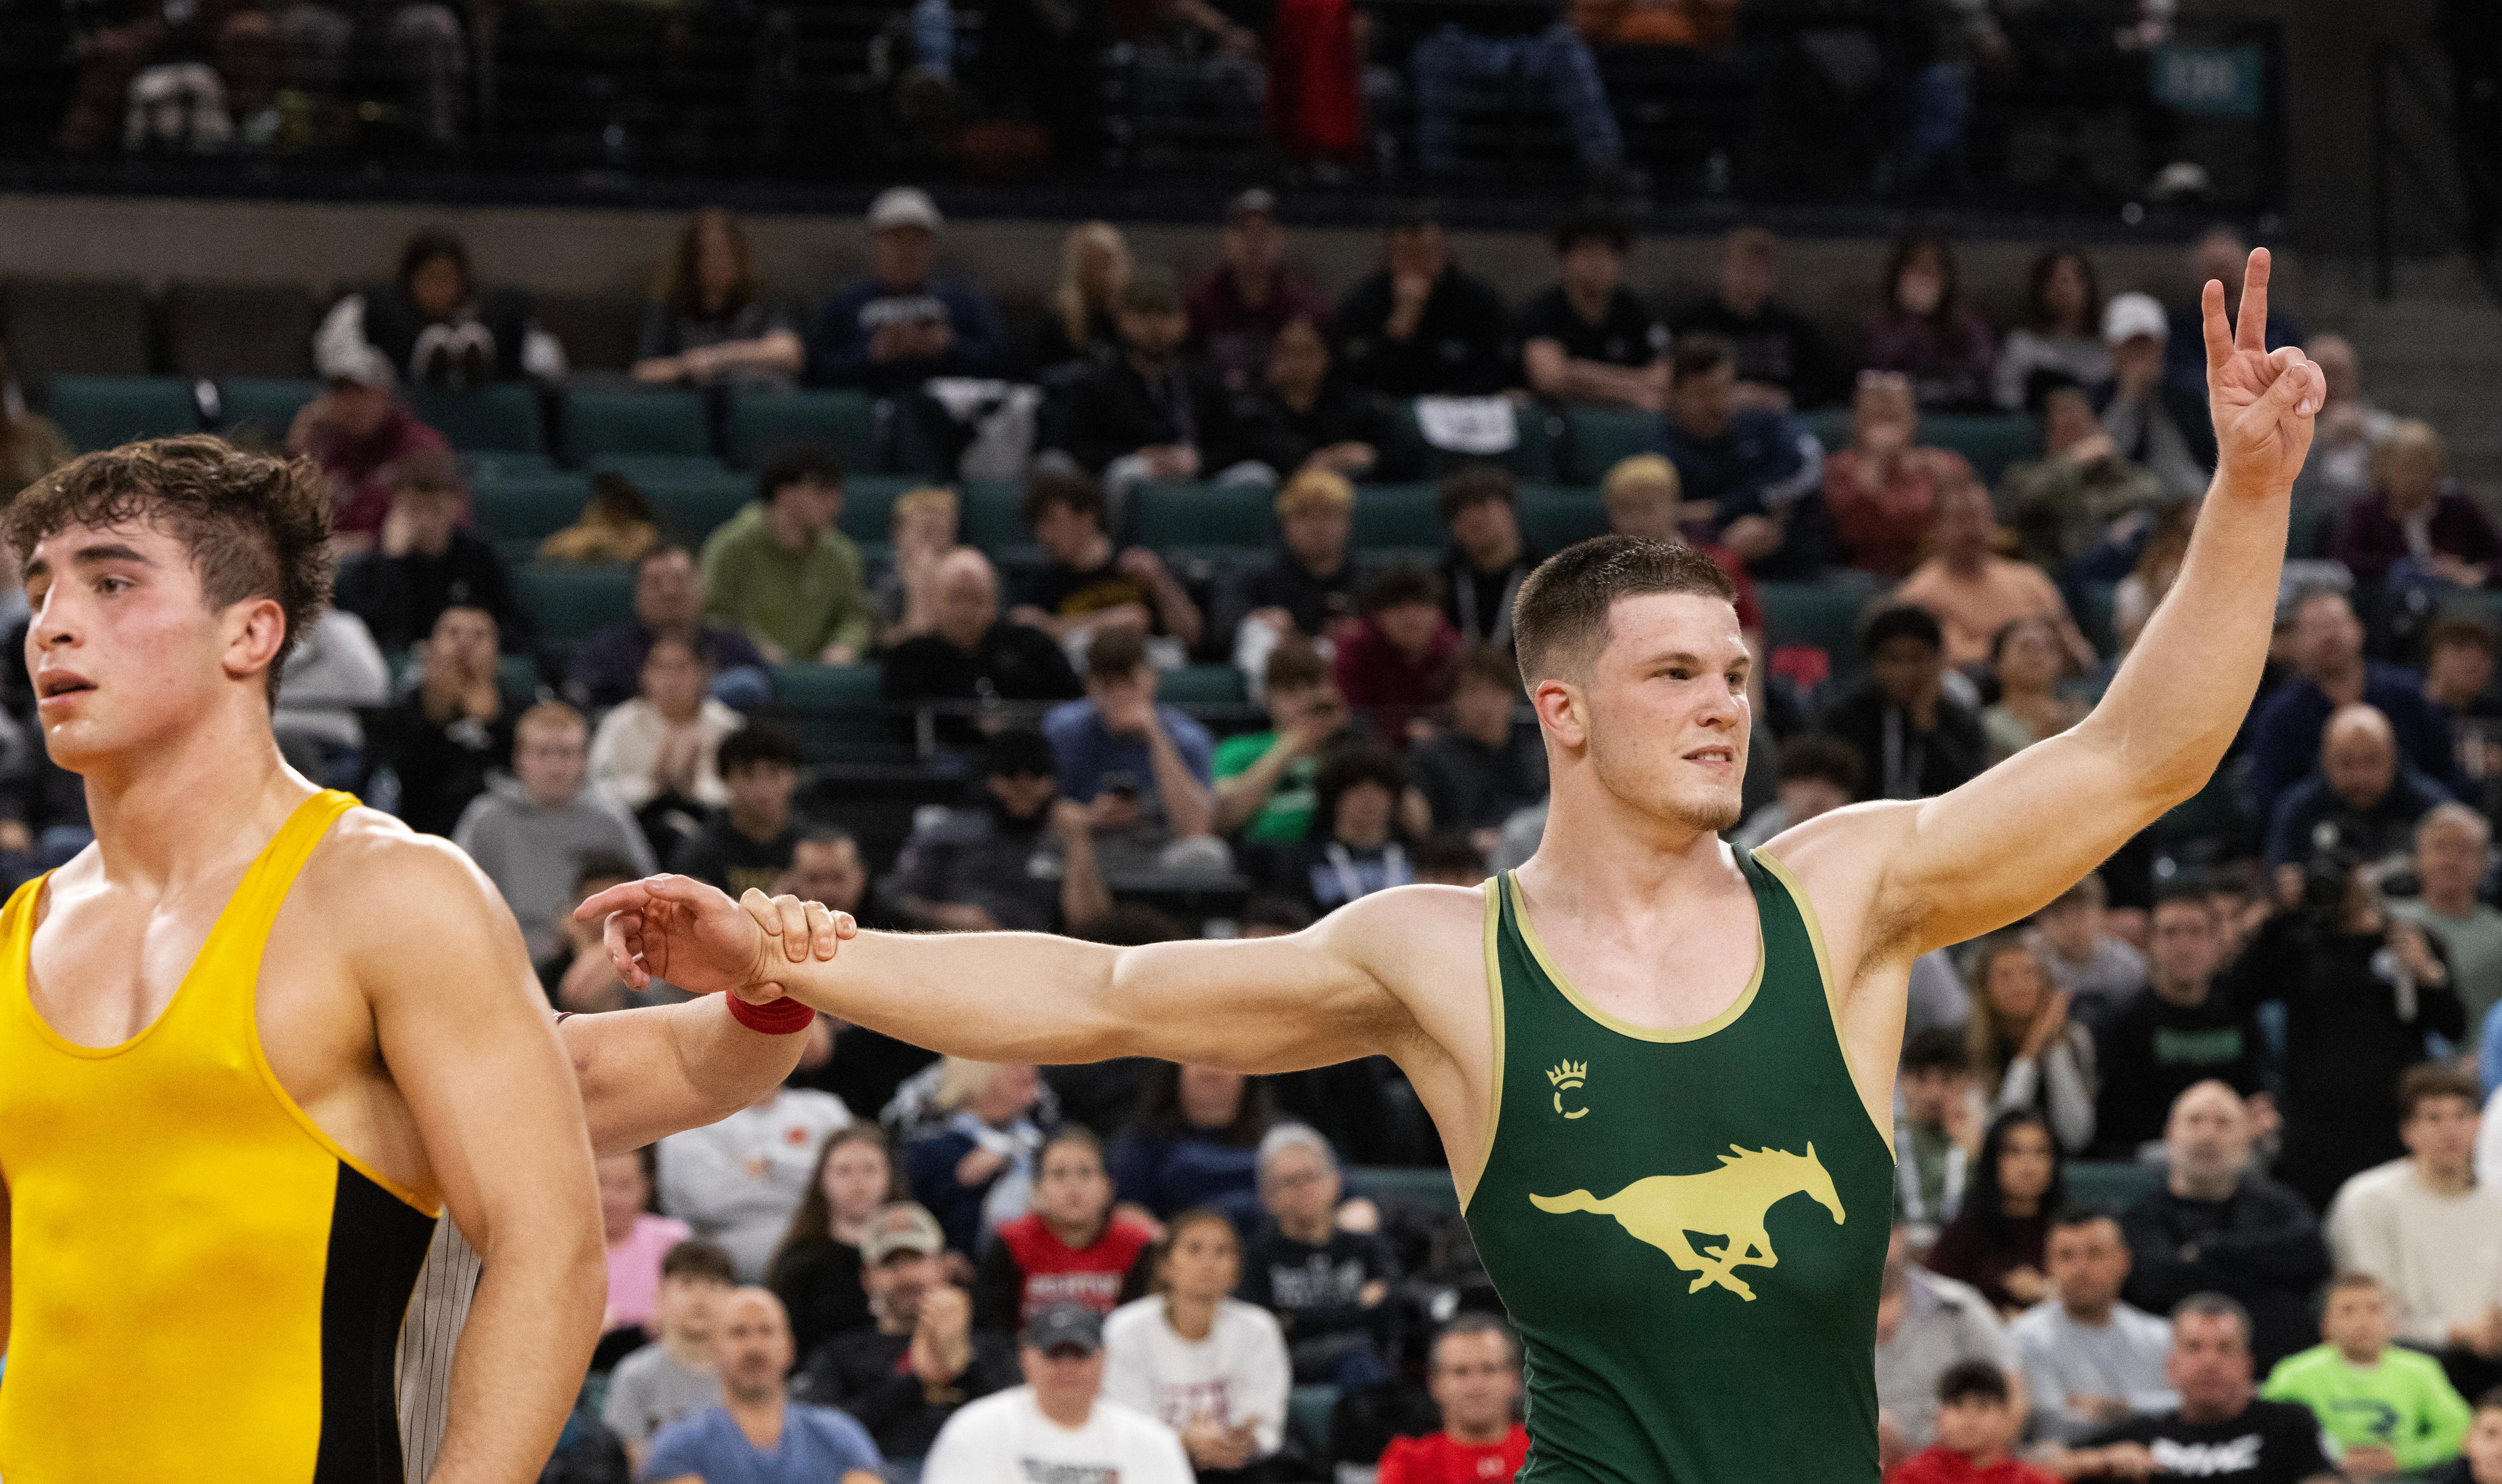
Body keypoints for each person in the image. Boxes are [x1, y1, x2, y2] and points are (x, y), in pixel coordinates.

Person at [580, 247, 2334, 1481]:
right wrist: (803, 953)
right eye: (1675, 674)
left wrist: (2244, 495)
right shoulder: (1439, 957)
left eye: (1734, 673)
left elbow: (2133, 756)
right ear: (1560, 708)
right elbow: (1106, 993)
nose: (1723, 704)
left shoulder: (1848, 893)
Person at [0, 437, 608, 1478]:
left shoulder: (390, 897)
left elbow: (547, 1249)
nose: (52, 623)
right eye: (40, 585)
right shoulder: (18, 930)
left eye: (110, 582)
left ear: (249, 632)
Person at [2224, 846, 2468, 1209]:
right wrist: (2276, 919)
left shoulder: (2409, 939)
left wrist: (2427, 974)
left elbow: (2453, 1026)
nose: (2334, 885)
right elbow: (2232, 998)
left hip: (2391, 1128)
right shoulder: (2295, 939)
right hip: (2314, 1133)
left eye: (2342, 873)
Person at [2119, 1083, 2333, 1370]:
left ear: (2246, 1138)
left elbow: (2311, 1258)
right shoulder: (2140, 1216)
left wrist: (2205, 1251)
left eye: (2223, 1124)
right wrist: (2260, 1272)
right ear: (2169, 1134)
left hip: (2277, 1373)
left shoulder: (2281, 1206)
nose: (2208, 1136)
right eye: (2195, 1121)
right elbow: (2155, 1284)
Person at [795, 1201, 1020, 1464]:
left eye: (917, 1259)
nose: (906, 1276)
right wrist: (915, 1379)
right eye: (890, 1264)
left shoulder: (984, 1345)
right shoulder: (839, 1354)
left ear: (941, 1268)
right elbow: (820, 1435)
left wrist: (966, 1363)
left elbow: (1021, 1420)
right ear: (867, 1277)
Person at [2327, 1065, 2502, 1404]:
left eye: (2462, 1116)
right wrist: (2456, 1335)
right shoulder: (2367, 1200)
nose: (2449, 1131)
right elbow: (2365, 1307)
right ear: (2407, 1131)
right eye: (2434, 1119)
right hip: (2404, 1358)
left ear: (2480, 1124)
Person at [2041, 1294, 2338, 1484]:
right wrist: (2098, 1462)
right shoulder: (2142, 1433)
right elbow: (2034, 1464)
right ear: (2171, 1368)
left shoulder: (2288, 1426)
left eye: (2224, 1349)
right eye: (2194, 1348)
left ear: (2248, 1367)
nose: (2209, 1362)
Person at [452, 700, 657, 959]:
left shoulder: (610, 819)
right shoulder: (486, 819)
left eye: (566, 753)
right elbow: (456, 897)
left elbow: (647, 894)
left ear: (584, 760)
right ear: (519, 760)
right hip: (508, 952)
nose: (555, 766)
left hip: (596, 951)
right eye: (543, 753)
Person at [1103, 1207, 1294, 1477]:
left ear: (1237, 1269)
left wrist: (1242, 1441)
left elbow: (1264, 1425)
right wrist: (1184, 1443)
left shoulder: (1259, 1328)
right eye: (1194, 1249)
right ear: (1165, 1266)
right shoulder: (1126, 1329)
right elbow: (1126, 1425)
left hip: (1238, 1469)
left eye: (1222, 1252)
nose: (1208, 1262)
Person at [2243, 586, 2460, 823]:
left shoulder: (2408, 694)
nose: (2328, 637)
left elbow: (2446, 772)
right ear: (2297, 642)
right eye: (2315, 629)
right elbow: (2269, 800)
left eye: (2336, 625)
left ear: (2359, 630)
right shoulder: (2277, 715)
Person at [920, 1303, 1195, 1484]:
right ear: (1026, 1358)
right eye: (1054, 1355)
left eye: (1081, 1355)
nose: (1068, 1368)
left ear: (1104, 1359)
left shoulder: (1151, 1442)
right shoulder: (974, 1430)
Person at [640, 1287, 887, 1484]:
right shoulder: (680, 1443)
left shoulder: (839, 1436)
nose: (754, 1347)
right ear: (715, 1351)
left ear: (790, 1348)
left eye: (766, 1331)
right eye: (739, 1333)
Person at [2091, 891, 2266, 1160]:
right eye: (2170, 933)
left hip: (2233, 1146)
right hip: (2157, 1155)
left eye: (2196, 933)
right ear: (2150, 946)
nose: (2184, 947)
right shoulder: (2127, 1023)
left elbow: (2257, 1095)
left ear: (2217, 943)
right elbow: (2120, 1123)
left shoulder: (2241, 1013)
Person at [890, 728, 1112, 935]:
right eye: (1010, 773)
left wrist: (1078, 841)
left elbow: (1092, 928)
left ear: (1053, 781)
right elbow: (895, 899)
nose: (1023, 786)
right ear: (989, 779)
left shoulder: (1063, 838)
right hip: (956, 951)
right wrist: (947, 917)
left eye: (1036, 774)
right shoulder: (949, 831)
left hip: (1038, 961)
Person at [2262, 1272, 2475, 1479]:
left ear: (2392, 1321)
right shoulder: (2293, 1373)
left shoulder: (2421, 1370)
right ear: (2325, 1325)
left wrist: (2400, 1458)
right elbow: (2265, 1430)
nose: (2363, 1322)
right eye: (2348, 1311)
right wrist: (2326, 1462)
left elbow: (2462, 1430)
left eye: (2374, 1309)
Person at [1045, 628, 1223, 870]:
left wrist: (1154, 734)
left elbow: (1196, 829)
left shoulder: (1187, 737)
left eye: (1128, 682)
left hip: (1156, 850)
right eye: (1107, 685)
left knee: (1207, 854)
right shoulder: (1062, 729)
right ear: (1089, 684)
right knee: (1038, 861)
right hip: (1085, 851)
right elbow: (1038, 812)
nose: (1119, 695)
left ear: (1151, 679)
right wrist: (1091, 816)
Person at [1057, 273, 1250, 494]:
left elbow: (1237, 444)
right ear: (1122, 321)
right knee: (1129, 473)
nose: (1155, 325)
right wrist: (1136, 455)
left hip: (1198, 475)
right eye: (1144, 314)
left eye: (1165, 314)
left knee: (1255, 475)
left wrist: (1197, 460)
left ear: (1183, 322)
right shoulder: (1099, 381)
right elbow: (1076, 446)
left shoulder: (1203, 379)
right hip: (1129, 474)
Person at [1654, 333, 1829, 577]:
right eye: (1703, 393)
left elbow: (1808, 465)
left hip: (1777, 556)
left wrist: (1725, 509)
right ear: (1675, 394)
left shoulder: (1764, 425)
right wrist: (1720, 545)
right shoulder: (1656, 445)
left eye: (1724, 388)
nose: (1718, 404)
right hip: (1692, 566)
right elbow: (1646, 521)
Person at [878, 548, 1084, 754]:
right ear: (934, 601)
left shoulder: (1031, 645)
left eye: (976, 598)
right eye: (955, 598)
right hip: (945, 769)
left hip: (1029, 762)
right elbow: (905, 731)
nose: (965, 611)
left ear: (994, 603)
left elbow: (1073, 707)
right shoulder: (910, 657)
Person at [313, 228, 566, 393]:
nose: (439, 289)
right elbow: (337, 363)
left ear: (462, 284)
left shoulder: (486, 314)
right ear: (410, 281)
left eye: (447, 280)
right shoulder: (375, 308)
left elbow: (550, 364)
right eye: (429, 279)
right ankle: (426, 350)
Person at [1238, 1124, 1397, 1387]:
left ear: (1335, 1182)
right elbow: (1263, 1333)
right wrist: (1355, 1308)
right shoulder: (1256, 1256)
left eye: (1311, 1176)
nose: (1303, 1188)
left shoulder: (1368, 1247)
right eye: (1289, 1181)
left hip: (1364, 1361)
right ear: (1267, 1196)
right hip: (1284, 1370)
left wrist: (1296, 1318)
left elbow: (1387, 1320)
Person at [807, 187, 1006, 396]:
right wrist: (872, 355)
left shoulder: (962, 301)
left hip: (944, 417)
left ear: (933, 245)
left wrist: (949, 346)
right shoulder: (845, 303)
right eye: (896, 238)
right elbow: (815, 371)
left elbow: (1002, 363)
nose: (907, 250)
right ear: (873, 243)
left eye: (919, 239)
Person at [332, 449, 530, 653]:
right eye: (414, 509)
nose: (425, 521)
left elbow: (516, 628)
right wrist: (393, 562)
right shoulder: (374, 568)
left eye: (436, 509)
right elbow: (370, 637)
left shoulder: (480, 559)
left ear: (455, 507)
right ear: (396, 506)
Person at [1893, 476, 2096, 673]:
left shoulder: (2030, 578)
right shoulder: (1918, 594)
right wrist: (2029, 648)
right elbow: (1950, 662)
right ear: (1936, 529)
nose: (1973, 530)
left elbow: (2081, 656)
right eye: (1961, 519)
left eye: (1980, 516)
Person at [657, 1079, 855, 1281]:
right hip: (721, 1265)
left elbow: (852, 1184)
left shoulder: (825, 1110)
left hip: (822, 1255)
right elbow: (707, 1201)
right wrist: (807, 1180)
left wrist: (772, 1166)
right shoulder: (691, 1118)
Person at [1407, 0, 1626, 182]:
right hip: (1470, 44)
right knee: (1434, 52)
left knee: (1569, 49)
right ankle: (1436, 174)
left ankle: (1604, 167)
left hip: (1532, 45)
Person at [700, 442, 873, 667]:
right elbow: (710, 615)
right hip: (746, 669)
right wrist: (752, 646)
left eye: (837, 492)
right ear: (785, 494)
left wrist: (846, 645)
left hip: (819, 674)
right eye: (822, 491)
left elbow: (855, 617)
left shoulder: (843, 553)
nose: (835, 504)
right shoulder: (731, 546)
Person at [2012, 1210, 2176, 1444]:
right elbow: (2053, 1427)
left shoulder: (2161, 1336)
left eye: (2095, 1254)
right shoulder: (2025, 1338)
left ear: (2124, 1261)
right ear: (2048, 1266)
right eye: (2066, 1256)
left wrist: (2122, 1408)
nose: (2081, 1269)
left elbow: (2195, 1405)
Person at [975, 1126, 1158, 1334]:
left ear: (1108, 1188)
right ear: (1036, 1191)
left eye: (1085, 1173)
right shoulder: (1010, 1243)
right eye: (1059, 1174)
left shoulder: (1137, 1245)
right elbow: (990, 1334)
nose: (1073, 1186)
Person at [1876, 1222, 2019, 1466]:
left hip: (1957, 1469)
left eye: (1875, 1229)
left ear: (1901, 1232)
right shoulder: (1812, 1320)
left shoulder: (1960, 1305)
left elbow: (2013, 1388)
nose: (1866, 1245)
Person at [1334, 206, 1514, 399]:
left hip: (1461, 407)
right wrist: (1399, 327)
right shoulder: (1363, 302)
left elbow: (1496, 366)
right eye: (1406, 255)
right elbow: (1354, 375)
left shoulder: (1476, 300)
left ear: (1447, 253)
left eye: (1426, 253)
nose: (1416, 264)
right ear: (1387, 257)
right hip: (1386, 410)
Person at [1011, 473, 1205, 651]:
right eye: (1039, 525)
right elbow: (1023, 622)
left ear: (1087, 518)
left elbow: (1190, 636)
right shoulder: (1043, 580)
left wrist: (1160, 584)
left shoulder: (1136, 566)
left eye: (1052, 521)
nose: (1043, 535)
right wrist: (1115, 620)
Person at [568, 544, 772, 714]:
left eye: (679, 580)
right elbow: (578, 702)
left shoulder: (734, 648)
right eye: (655, 582)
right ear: (637, 597)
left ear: (702, 589)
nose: (669, 592)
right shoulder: (605, 653)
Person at [284, 348, 450, 552]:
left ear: (386, 395)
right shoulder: (335, 449)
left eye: (361, 392)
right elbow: (297, 519)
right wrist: (300, 443)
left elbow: (441, 530)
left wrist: (368, 545)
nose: (351, 403)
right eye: (341, 392)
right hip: (345, 570)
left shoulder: (420, 447)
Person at [1819, 604, 1990, 801]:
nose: (1904, 671)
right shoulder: (1845, 716)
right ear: (1873, 662)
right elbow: (1833, 786)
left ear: (1937, 661)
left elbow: (1972, 788)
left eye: (1916, 659)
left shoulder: (1958, 719)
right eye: (1893, 660)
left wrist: (1929, 728)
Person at [1668, 226, 1845, 411]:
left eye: (1760, 272)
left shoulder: (1796, 327)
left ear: (1773, 277)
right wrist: (1722, 395)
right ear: (1723, 269)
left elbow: (1832, 384)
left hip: (1781, 420)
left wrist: (1786, 398)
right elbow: (1672, 380)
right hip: (1714, 416)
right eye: (1743, 269)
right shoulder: (1693, 323)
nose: (1750, 280)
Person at [1822, 370, 1979, 581]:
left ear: (1913, 416)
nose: (1887, 403)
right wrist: (1875, 462)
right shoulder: (1836, 469)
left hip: (1940, 578)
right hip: (1862, 581)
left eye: (1895, 414)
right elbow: (1860, 532)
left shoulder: (1948, 466)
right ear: (1857, 418)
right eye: (1878, 416)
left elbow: (1961, 529)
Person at [2003, 379, 2165, 575]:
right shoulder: (2025, 474)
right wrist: (2073, 461)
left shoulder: (2108, 472)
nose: (2077, 437)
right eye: (2066, 428)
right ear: (2048, 436)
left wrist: (2113, 466)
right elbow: (2026, 499)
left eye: (2081, 424)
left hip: (2121, 561)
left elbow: (2151, 491)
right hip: (2066, 571)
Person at [2263, 702, 2453, 868]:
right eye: (2347, 763)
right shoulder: (2296, 810)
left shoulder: (2434, 810)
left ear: (2394, 759)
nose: (2361, 778)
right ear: (2325, 762)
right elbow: (2279, 872)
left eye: (2373, 761)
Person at [632, 208, 806, 388]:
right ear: (690, 261)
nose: (716, 263)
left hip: (754, 405)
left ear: (740, 256)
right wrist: (688, 365)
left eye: (724, 253)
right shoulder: (669, 309)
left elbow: (789, 353)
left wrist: (718, 357)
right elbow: (644, 371)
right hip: (691, 406)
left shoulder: (766, 301)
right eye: (707, 254)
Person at [1219, 469, 1368, 679]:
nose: (1318, 526)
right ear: (1285, 523)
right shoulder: (1255, 579)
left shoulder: (1370, 584)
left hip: (1353, 681)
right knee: (1259, 632)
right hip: (1280, 675)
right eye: (1304, 514)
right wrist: (1259, 620)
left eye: (1329, 513)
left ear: (1348, 521)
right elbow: (1223, 631)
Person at [769, 1125, 899, 1363]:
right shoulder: (797, 1264)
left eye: (870, 1170)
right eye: (844, 1171)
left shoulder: (920, 1256)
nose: (858, 1181)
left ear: (890, 1177)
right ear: (822, 1180)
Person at [1212, 641, 1361, 846]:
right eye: (1291, 691)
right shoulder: (1239, 749)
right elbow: (1223, 817)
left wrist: (1349, 732)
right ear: (1269, 698)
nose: (1305, 700)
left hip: (1335, 856)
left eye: (1313, 687)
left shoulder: (1350, 751)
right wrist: (1292, 743)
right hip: (1265, 856)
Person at [605, 1238, 736, 1469]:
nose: (700, 1298)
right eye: (687, 1284)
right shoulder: (634, 1376)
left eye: (713, 1285)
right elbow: (629, 1464)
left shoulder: (746, 1373)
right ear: (662, 1295)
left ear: (733, 1298)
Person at [1517, 213, 1670, 411]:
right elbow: (1549, 378)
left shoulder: (1636, 310)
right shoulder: (1542, 310)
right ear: (1562, 260)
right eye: (1586, 251)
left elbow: (1666, 376)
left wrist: (1577, 373)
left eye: (1608, 253)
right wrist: (1634, 389)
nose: (1597, 263)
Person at [1188, 189, 1336, 394]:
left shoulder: (1310, 308)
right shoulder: (1198, 304)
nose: (1254, 242)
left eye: (1264, 232)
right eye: (1244, 231)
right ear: (1225, 238)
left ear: (1282, 238)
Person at [588, 633, 744, 825]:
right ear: (644, 674)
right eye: (661, 667)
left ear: (702, 673)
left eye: (682, 667)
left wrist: (692, 789)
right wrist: (653, 785)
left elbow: (745, 791)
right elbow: (597, 786)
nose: (671, 678)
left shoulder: (728, 726)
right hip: (634, 827)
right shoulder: (620, 723)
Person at [2333, 420, 2501, 591]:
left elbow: (2497, 556)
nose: (2414, 477)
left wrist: (2477, 573)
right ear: (2384, 469)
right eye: (2405, 467)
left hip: (2453, 605)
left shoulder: (2459, 508)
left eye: (2423, 467)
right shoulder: (2367, 512)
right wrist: (2411, 569)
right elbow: (2345, 560)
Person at [1229, 316, 1400, 485]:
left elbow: (1395, 452)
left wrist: (1367, 454)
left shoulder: (1354, 406)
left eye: (1306, 352)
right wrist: (1324, 461)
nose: (1296, 362)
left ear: (1326, 356)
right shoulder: (1254, 413)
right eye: (1287, 351)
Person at [1927, 1110, 2065, 1318]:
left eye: (2041, 1152)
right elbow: (1933, 1303)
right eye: (2014, 1152)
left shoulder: (2071, 1231)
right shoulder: (1964, 1233)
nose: (2029, 1164)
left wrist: (2052, 1294)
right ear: (1994, 1161)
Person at [1409, 643, 1546, 851]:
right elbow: (1427, 832)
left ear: (1512, 695)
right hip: (1466, 859)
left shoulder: (1538, 748)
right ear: (1452, 700)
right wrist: (1469, 840)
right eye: (1473, 692)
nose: (1486, 703)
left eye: (1496, 690)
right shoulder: (1432, 758)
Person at [907, 1059, 1048, 1254]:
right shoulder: (933, 1152)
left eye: (1029, 1059)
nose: (1030, 1068)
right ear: (978, 1069)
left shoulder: (1051, 1142)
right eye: (1014, 1062)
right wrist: (960, 1185)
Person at [1109, 1063, 1277, 1226]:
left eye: (1225, 1060)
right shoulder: (1140, 1141)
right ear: (1175, 1071)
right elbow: (1127, 1213)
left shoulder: (1282, 1138)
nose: (1212, 1070)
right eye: (1199, 1059)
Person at [1376, 1316, 1531, 1484]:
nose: (1476, 1386)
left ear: (1515, 1379)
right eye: (1461, 1372)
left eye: (1489, 1370)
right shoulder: (1409, 1462)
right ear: (1435, 1383)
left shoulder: (1546, 1451)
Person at [2097, 291, 2219, 503]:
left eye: (2147, 347)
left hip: (2190, 505)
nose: (2141, 358)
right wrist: (2128, 399)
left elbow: (2209, 463)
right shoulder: (2096, 397)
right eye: (2132, 347)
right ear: (2113, 351)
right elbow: (2104, 463)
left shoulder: (2187, 396)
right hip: (2124, 508)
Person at [2163, 229, 2307, 409]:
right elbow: (2178, 385)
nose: (2224, 278)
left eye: (2229, 269)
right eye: (2214, 269)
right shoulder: (2177, 331)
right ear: (2197, 277)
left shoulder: (2281, 330)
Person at [2393, 805, 2502, 1036]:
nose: (2450, 860)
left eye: (2464, 850)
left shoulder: (2499, 933)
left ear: (2486, 863)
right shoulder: (2391, 923)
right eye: (2440, 847)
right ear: (2417, 858)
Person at [668, 725, 809, 899]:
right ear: (725, 779)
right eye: (748, 774)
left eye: (774, 773)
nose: (762, 789)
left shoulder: (818, 847)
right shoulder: (700, 853)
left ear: (794, 777)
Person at [1861, 234, 1996, 413]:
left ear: (1946, 279)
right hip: (1894, 415)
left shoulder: (1968, 325)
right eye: (1916, 269)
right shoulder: (1877, 325)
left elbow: (1982, 380)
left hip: (1954, 417)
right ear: (1898, 275)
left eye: (1932, 270)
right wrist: (1914, 318)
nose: (1924, 278)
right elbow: (1874, 379)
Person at [1334, 567, 1461, 742]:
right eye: (1397, 607)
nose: (1410, 617)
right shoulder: (1356, 651)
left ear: (1440, 613)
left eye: (1420, 605)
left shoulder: (1454, 652)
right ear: (1377, 615)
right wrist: (1403, 731)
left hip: (1440, 749)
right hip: (1371, 751)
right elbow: (1350, 718)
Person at [272, 605, 391, 788]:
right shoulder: (259, 626)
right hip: (275, 735)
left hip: (336, 744)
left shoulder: (342, 626)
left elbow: (376, 688)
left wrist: (327, 621)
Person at [1889, 1361, 2058, 1484]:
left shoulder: (2032, 1479)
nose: (1969, 1417)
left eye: (1982, 1406)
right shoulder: (1913, 1476)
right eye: (1958, 1405)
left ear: (2005, 1416)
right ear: (1939, 1415)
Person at [2288, 333, 2398, 523]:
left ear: (2354, 376)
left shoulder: (2383, 427)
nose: (2331, 383)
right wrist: (2320, 440)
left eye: (2338, 373)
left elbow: (2404, 485)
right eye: (2322, 373)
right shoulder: (2287, 430)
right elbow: (2291, 492)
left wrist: (2368, 438)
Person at [1296, 746, 1420, 912]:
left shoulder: (1418, 857)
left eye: (1379, 789)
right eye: (1356, 789)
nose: (1368, 799)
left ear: (1395, 799)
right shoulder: (1302, 861)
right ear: (1334, 797)